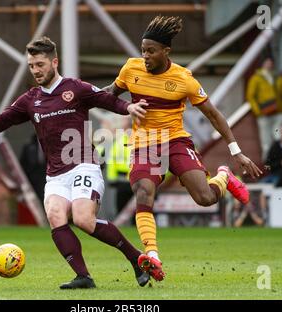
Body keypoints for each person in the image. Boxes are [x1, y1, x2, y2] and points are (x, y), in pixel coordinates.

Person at [0, 36, 151, 289]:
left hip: (84, 164)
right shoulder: (30, 99)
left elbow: (107, 100)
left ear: (54, 62)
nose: (35, 70)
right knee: (55, 215)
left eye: (40, 64)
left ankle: (135, 258)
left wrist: (129, 108)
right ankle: (83, 277)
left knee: (83, 219)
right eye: (31, 66)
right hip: (56, 175)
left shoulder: (76, 88)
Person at [103, 16, 262, 281]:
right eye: (143, 50)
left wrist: (236, 151)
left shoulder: (184, 79)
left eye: (151, 51)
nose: (145, 57)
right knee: (143, 193)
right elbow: (109, 92)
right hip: (144, 145)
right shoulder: (131, 69)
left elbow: (213, 114)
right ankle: (152, 256)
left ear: (166, 52)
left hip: (175, 141)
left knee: (205, 198)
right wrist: (80, 97)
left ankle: (223, 176)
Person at [246, 56, 282, 161]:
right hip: (264, 114)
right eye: (267, 62)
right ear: (263, 64)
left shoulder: (278, 78)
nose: (269, 65)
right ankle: (267, 163)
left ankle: (281, 159)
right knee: (266, 141)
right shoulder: (256, 78)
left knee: (278, 136)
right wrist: (258, 112)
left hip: (277, 112)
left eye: (271, 63)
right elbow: (250, 96)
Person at [106, 117, 134, 217]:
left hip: (138, 179)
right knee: (121, 210)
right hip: (122, 181)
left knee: (138, 211)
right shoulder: (119, 142)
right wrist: (112, 179)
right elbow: (112, 161)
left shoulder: (143, 139)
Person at [19, 133, 47, 202]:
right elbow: (23, 166)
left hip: (48, 178)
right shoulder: (29, 147)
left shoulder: (51, 144)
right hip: (33, 181)